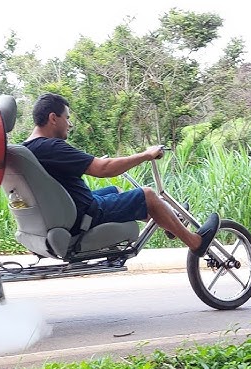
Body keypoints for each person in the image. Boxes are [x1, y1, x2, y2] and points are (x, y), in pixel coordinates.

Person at [22, 93, 219, 257]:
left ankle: (169, 221)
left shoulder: (29, 148)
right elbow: (103, 169)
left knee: (115, 190)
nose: (70, 124)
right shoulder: (52, 147)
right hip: (85, 216)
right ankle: (195, 242)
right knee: (148, 195)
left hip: (70, 210)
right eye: (67, 118)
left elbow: (69, 166)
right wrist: (145, 155)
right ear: (53, 118)